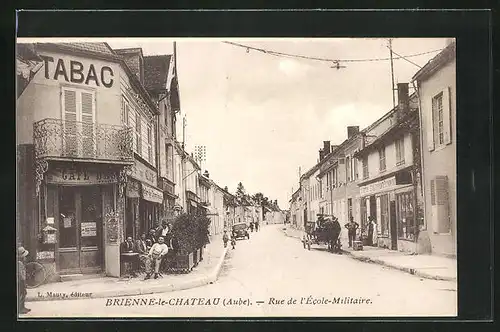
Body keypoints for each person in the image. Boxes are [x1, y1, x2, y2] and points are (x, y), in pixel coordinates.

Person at [18, 247, 30, 314]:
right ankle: (21, 308)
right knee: (22, 293)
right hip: (20, 281)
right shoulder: (19, 263)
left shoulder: (21, 262)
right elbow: (20, 274)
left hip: (21, 280)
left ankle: (23, 307)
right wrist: (24, 281)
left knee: (23, 293)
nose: (25, 257)